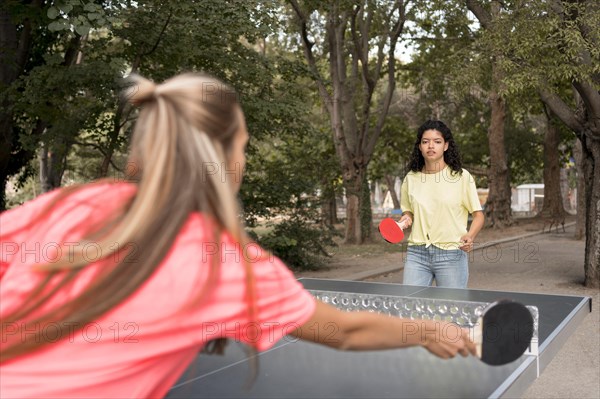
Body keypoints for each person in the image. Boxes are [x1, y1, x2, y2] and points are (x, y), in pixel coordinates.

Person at [0, 74, 475, 398]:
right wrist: (427, 329)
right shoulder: (225, 264)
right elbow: (343, 330)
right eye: (243, 146)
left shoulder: (77, 202)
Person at [399, 120, 485, 289]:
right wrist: (406, 219)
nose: (431, 146)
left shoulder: (461, 177)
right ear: (419, 146)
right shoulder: (411, 178)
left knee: (451, 311)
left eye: (437, 141)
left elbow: (478, 215)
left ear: (445, 146)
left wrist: (470, 236)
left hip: (451, 253)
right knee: (409, 308)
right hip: (417, 254)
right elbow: (408, 212)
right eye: (425, 141)